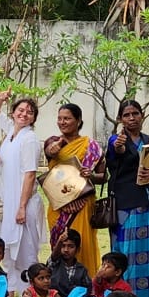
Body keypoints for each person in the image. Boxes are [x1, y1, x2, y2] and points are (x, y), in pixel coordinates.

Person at [40, 102, 102, 282]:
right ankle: (58, 286)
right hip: (60, 207)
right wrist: (53, 149)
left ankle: (86, 285)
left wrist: (92, 175)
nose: (62, 122)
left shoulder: (90, 146)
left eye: (67, 118)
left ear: (79, 120)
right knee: (61, 245)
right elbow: (50, 150)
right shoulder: (53, 141)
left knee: (84, 245)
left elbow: (103, 176)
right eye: (59, 118)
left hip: (83, 205)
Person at [0, 95, 47, 285]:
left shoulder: (29, 139)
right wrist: (1, 97)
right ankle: (12, 290)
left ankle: (32, 292)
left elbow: (30, 175)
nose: (24, 114)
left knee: (26, 252)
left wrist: (21, 206)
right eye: (20, 110)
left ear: (34, 118)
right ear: (13, 113)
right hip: (9, 201)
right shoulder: (11, 132)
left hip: (25, 203)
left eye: (29, 112)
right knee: (9, 252)